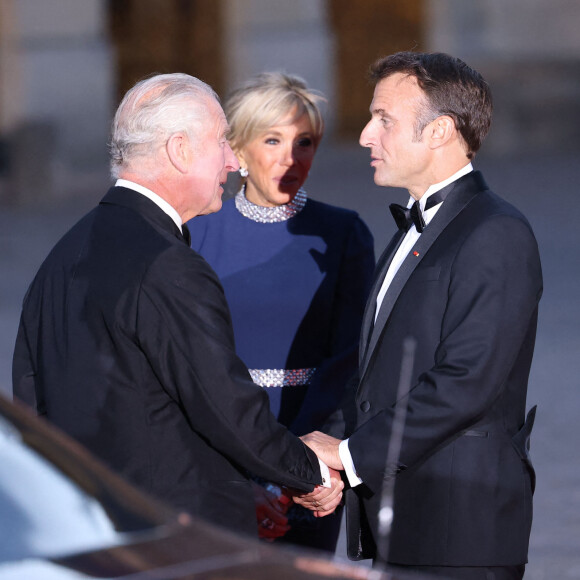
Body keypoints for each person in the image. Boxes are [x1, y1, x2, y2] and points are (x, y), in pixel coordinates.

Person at [12, 73, 343, 539]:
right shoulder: (168, 264)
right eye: (221, 143)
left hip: (93, 532)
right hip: (176, 535)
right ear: (180, 150)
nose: (233, 160)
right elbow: (224, 404)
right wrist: (308, 473)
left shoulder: (62, 255)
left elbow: (32, 406)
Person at [299, 52, 543, 579]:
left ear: (440, 131)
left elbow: (466, 381)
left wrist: (349, 453)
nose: (365, 135)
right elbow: (378, 375)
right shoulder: (413, 229)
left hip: (462, 530)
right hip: (405, 522)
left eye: (384, 119)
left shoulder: (496, 232)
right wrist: (327, 453)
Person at [188, 72, 375, 551]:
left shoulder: (343, 233)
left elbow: (351, 354)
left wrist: (308, 459)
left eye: (305, 142)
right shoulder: (196, 234)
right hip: (218, 445)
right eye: (273, 140)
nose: (292, 158)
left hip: (314, 446)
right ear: (239, 149)